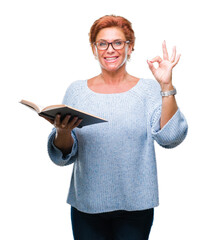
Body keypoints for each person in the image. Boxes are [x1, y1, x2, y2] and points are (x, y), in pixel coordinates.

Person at [44, 15, 188, 240]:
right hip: (86, 206)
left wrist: (166, 85)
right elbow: (62, 156)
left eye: (118, 42)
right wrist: (62, 132)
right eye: (102, 43)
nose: (110, 49)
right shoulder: (76, 91)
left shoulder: (149, 90)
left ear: (130, 48)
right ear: (94, 49)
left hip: (136, 208)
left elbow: (171, 138)